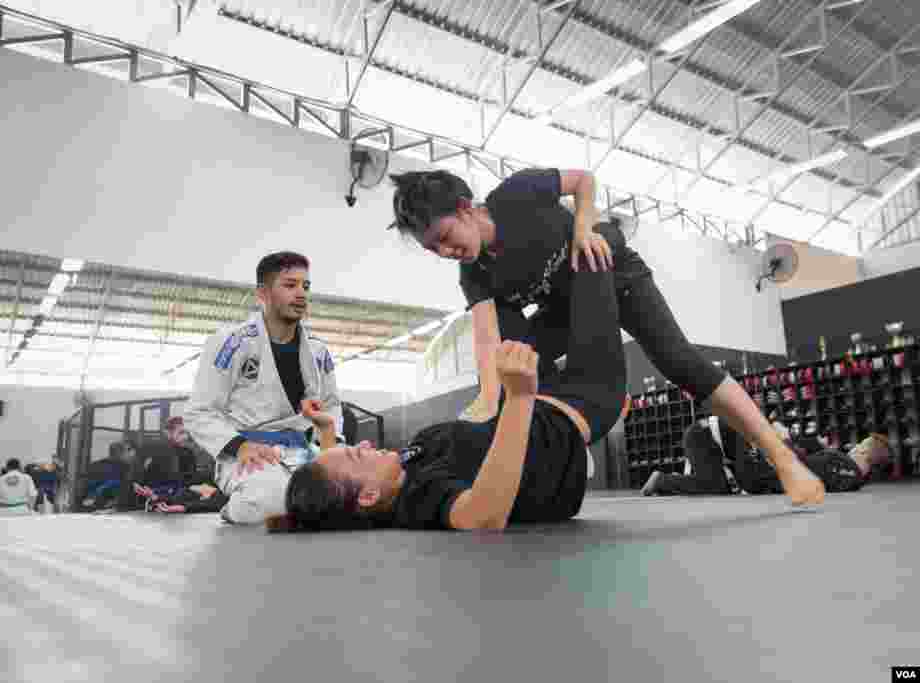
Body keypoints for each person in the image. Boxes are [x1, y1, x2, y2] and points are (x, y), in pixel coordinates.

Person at [387, 167, 824, 507]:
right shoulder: (474, 273)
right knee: (514, 355)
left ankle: (781, 459)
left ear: (465, 208)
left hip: (614, 272)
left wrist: (582, 227)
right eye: (434, 250)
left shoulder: (516, 194)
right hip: (568, 310)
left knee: (679, 361)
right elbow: (487, 338)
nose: (446, 252)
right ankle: (566, 429)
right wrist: (487, 397)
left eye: (444, 237)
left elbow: (582, 181)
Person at [265, 247, 628, 532]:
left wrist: (328, 433)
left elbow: (338, 475)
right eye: (357, 455)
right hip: (577, 407)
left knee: (498, 303)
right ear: (370, 495)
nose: (361, 446)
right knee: (594, 256)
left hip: (532, 394)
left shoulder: (397, 472)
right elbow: (483, 517)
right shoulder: (422, 496)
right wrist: (519, 398)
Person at [183, 251, 347, 525]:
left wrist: (332, 448)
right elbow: (200, 412)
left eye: (305, 286)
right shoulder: (232, 343)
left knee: (352, 495)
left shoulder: (318, 351)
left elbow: (331, 407)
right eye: (289, 285)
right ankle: (233, 505)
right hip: (248, 455)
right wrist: (241, 445)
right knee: (270, 499)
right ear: (263, 293)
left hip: (306, 452)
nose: (301, 294)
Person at [642, 422, 894, 496]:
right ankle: (662, 481)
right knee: (749, 480)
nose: (854, 447)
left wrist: (786, 442)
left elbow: (809, 469)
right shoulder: (849, 472)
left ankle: (663, 482)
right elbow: (809, 469)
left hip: (719, 438)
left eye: (859, 445)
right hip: (709, 435)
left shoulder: (848, 469)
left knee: (718, 486)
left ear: (864, 452)